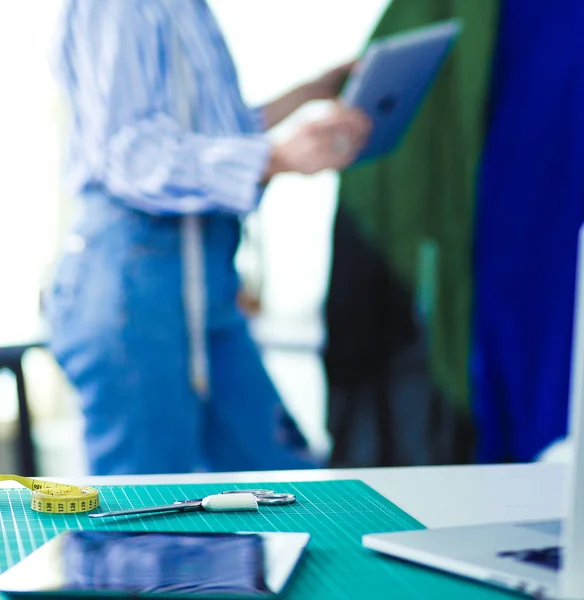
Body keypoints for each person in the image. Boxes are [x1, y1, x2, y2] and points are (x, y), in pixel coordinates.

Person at [45, 0, 371, 475]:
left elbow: (202, 132)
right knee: (147, 512)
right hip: (135, 284)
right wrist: (273, 157)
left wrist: (309, 94)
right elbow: (129, 152)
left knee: (284, 481)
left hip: (204, 278)